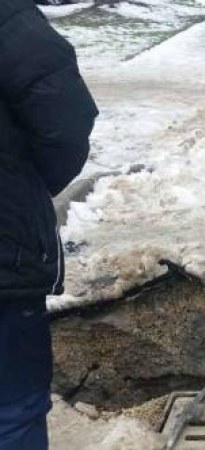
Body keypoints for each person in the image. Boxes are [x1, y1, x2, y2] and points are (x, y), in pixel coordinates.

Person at [0, 0, 98, 448]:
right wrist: (25, 192)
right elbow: (66, 126)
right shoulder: (10, 20)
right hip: (6, 261)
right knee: (13, 411)